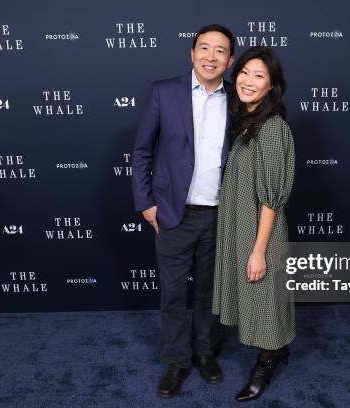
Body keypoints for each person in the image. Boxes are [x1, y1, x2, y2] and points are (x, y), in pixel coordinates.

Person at [131, 24, 235, 399]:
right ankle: (178, 361)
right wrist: (145, 203)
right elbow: (142, 151)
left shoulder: (237, 100)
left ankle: (205, 353)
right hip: (174, 214)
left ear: (230, 60)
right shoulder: (164, 92)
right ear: (192, 54)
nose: (211, 56)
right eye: (204, 48)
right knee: (174, 295)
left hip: (220, 214)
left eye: (219, 50)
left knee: (208, 293)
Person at [212, 46, 295, 402]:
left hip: (260, 232)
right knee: (256, 298)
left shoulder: (273, 128)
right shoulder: (248, 122)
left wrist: (258, 250)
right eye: (244, 72)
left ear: (272, 86)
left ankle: (269, 360)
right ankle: (276, 350)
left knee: (264, 297)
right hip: (241, 226)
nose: (248, 81)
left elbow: (271, 198)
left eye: (259, 76)